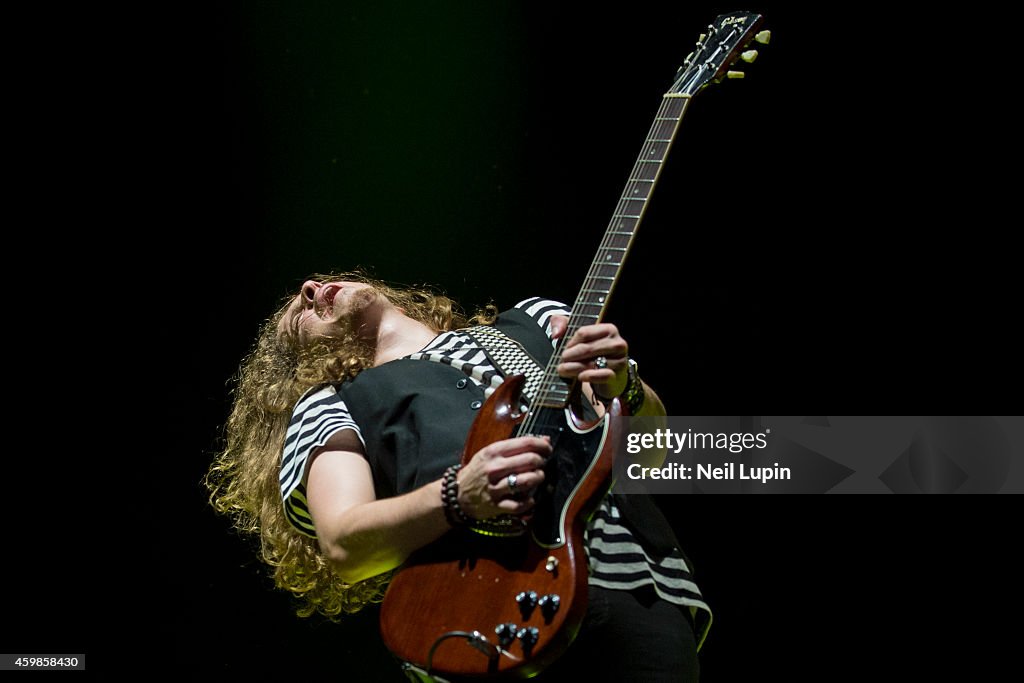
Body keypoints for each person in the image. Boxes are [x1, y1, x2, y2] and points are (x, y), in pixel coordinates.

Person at [207, 271, 711, 682]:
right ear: (300, 363)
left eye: (318, 281)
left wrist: (629, 388)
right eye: (297, 313)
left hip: (641, 596)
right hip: (485, 626)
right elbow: (345, 543)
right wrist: (459, 494)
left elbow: (651, 456)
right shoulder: (332, 403)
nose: (311, 288)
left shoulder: (535, 322)